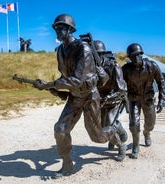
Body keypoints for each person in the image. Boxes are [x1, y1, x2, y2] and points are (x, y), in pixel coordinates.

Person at [34, 14, 126, 177]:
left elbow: (77, 79)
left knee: (97, 138)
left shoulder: (83, 48)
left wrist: (49, 84)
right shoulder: (61, 51)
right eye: (55, 27)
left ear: (70, 29)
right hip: (75, 97)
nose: (57, 30)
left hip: (90, 97)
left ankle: (114, 129)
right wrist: (53, 89)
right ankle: (68, 166)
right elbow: (65, 76)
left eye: (60, 27)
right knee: (60, 129)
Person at [122, 43, 165, 159]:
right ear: (129, 58)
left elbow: (161, 83)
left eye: (138, 55)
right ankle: (135, 146)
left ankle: (147, 133)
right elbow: (118, 83)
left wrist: (161, 100)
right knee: (134, 124)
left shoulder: (152, 66)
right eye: (132, 56)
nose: (135, 58)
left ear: (142, 54)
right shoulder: (126, 69)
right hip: (134, 99)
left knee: (150, 123)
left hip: (148, 99)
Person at [93, 40, 128, 151]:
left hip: (114, 99)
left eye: (97, 55)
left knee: (107, 127)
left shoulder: (114, 66)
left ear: (103, 54)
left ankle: (121, 145)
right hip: (101, 100)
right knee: (104, 125)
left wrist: (109, 98)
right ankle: (118, 128)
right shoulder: (90, 67)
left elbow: (122, 89)